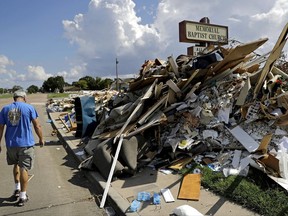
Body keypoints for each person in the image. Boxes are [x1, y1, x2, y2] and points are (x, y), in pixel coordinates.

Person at [0, 90, 44, 206]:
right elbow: (37, 125)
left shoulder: (5, 109)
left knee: (16, 165)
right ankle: (22, 196)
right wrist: (41, 138)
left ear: (14, 98)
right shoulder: (29, 108)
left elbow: (0, 128)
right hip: (26, 144)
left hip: (11, 144)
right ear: (24, 98)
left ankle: (16, 189)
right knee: (24, 168)